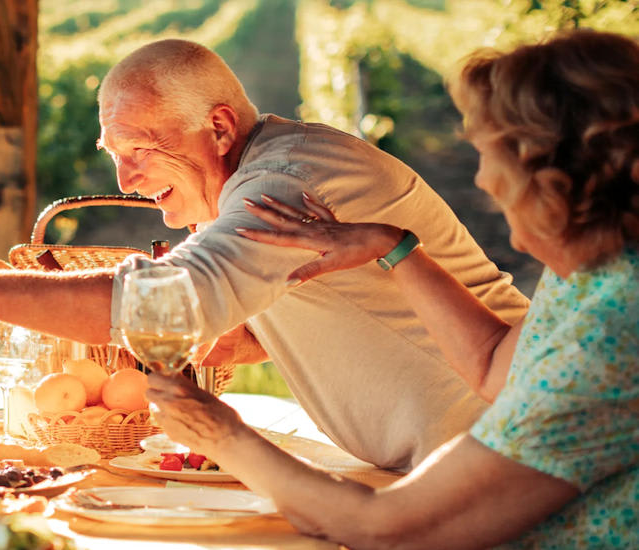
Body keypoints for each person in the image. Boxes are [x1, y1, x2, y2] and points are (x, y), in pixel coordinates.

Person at [0, 38, 530, 470]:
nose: (124, 181)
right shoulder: (255, 181)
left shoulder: (282, 185)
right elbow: (254, 320)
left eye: (140, 151)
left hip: (506, 457)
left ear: (220, 126)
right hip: (462, 459)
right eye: (114, 159)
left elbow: (169, 302)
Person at [148, 30, 639, 548]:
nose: (484, 181)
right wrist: (395, 247)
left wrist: (222, 435)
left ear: (551, 174)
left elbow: (387, 528)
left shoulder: (606, 333)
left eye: (491, 156)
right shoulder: (598, 275)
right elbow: (497, 367)